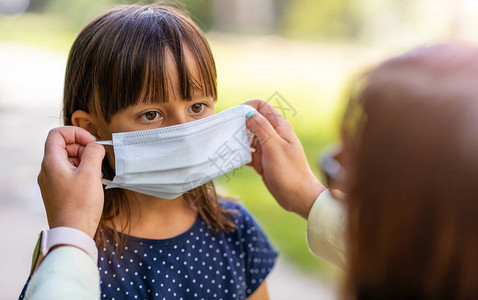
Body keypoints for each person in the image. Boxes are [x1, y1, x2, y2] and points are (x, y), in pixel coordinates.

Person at [20, 4, 277, 300]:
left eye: (197, 107)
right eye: (151, 114)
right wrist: (69, 237)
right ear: (91, 129)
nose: (185, 135)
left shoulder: (236, 229)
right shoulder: (74, 251)